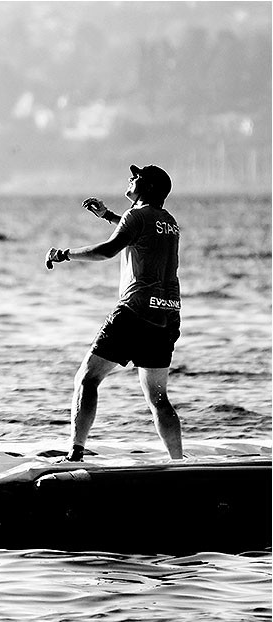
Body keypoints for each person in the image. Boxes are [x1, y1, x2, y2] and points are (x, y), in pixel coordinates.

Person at [45, 164, 183, 461]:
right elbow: (138, 231)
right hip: (167, 315)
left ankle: (75, 454)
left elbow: (108, 250)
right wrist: (107, 215)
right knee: (158, 398)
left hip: (134, 312)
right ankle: (178, 462)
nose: (131, 178)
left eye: (137, 177)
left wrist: (64, 254)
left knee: (87, 379)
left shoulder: (138, 216)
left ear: (147, 187)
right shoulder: (168, 222)